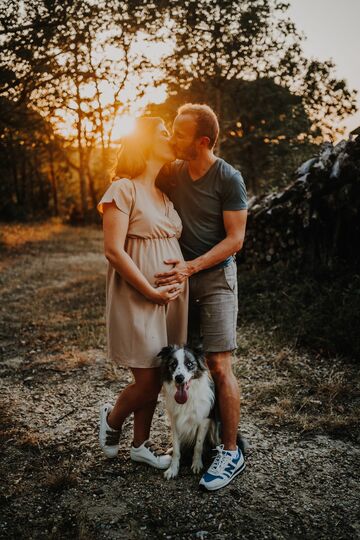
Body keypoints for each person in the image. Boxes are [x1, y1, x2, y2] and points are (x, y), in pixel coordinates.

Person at [155, 103, 248, 490]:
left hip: (215, 280)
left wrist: (192, 267)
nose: (173, 138)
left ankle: (229, 451)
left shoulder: (229, 178)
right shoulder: (173, 172)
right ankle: (187, 438)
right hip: (180, 280)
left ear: (203, 141)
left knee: (218, 364)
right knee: (176, 354)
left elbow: (235, 239)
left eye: (180, 133)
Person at [97, 117, 188, 469]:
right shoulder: (123, 189)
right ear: (145, 143)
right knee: (147, 380)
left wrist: (177, 282)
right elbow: (114, 250)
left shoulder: (164, 195)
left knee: (160, 369)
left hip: (169, 299)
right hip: (138, 295)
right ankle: (112, 419)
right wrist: (150, 289)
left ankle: (141, 445)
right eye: (163, 132)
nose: (171, 138)